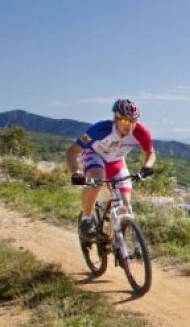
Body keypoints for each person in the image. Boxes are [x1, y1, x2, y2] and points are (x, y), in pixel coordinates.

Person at [66, 98, 156, 240]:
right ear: (116, 119)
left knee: (125, 204)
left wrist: (147, 167)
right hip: (93, 154)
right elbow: (72, 151)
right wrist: (76, 173)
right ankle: (86, 219)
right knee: (97, 180)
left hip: (116, 161)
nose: (130, 126)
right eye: (125, 121)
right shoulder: (100, 129)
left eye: (134, 121)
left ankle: (119, 242)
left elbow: (150, 154)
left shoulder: (141, 132)